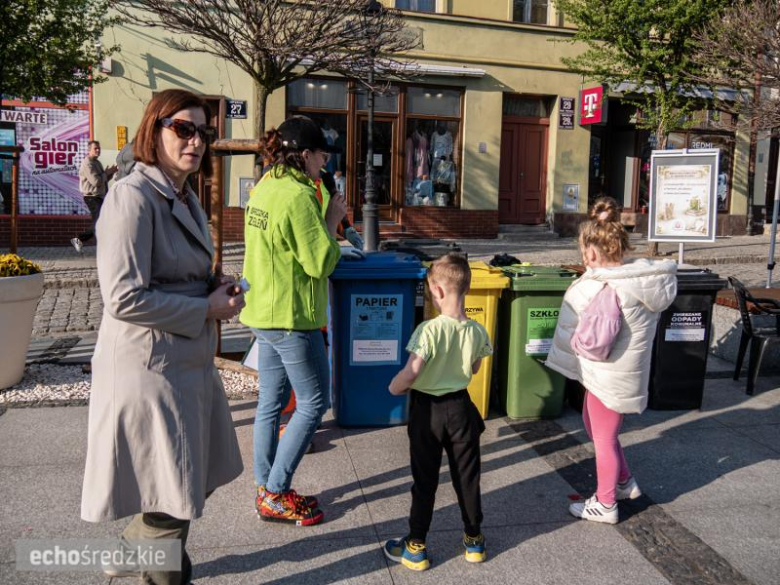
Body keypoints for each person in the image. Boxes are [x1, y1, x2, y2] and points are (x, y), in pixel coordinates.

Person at [81, 89, 244, 584]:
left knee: (197, 475)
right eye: (184, 129)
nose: (196, 141)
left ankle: (137, 545)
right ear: (155, 131)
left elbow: (178, 270)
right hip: (151, 368)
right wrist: (206, 307)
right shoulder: (131, 197)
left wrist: (213, 286)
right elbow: (123, 297)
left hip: (185, 362)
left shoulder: (184, 194)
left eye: (203, 132)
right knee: (175, 491)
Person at [240, 115, 347, 526]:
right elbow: (320, 262)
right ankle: (276, 492)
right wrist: (332, 221)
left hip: (263, 312)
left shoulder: (265, 187)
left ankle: (264, 485)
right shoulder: (298, 197)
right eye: (321, 155)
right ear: (304, 155)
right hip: (292, 317)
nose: (325, 163)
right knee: (315, 402)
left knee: (270, 403)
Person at [545, 197, 677, 525]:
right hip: (618, 372)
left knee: (603, 438)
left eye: (583, 251)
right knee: (595, 426)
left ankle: (605, 504)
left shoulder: (603, 288)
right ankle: (623, 482)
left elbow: (590, 340)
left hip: (608, 374)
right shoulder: (636, 281)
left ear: (591, 252)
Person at [384, 254, 492, 571]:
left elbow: (413, 370)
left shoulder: (428, 330)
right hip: (461, 408)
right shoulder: (477, 330)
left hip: (427, 412)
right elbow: (474, 368)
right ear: (466, 289)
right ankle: (474, 540)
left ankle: (416, 546)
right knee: (467, 478)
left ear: (438, 291)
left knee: (425, 480)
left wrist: (395, 387)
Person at [71, 140, 117, 253]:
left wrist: (111, 173)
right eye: (95, 148)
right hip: (91, 197)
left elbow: (102, 181)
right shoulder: (87, 163)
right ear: (89, 150)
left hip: (99, 196)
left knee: (101, 221)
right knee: (99, 222)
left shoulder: (97, 162)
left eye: (99, 148)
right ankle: (100, 247)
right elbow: (96, 181)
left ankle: (80, 239)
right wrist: (106, 173)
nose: (98, 150)